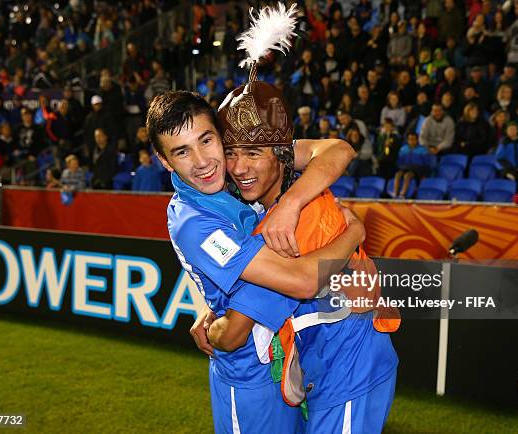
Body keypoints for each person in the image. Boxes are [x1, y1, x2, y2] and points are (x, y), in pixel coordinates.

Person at [147, 88, 362, 433]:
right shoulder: (195, 223)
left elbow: (338, 149)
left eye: (206, 140)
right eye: (182, 152)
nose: (202, 162)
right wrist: (354, 234)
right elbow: (300, 282)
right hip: (248, 376)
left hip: (286, 359)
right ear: (164, 160)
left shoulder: (233, 174)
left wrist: (290, 204)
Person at [394, 132, 430, 198]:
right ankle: (395, 194)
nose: (412, 141)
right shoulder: (403, 149)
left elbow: (426, 164)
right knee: (398, 174)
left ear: (417, 140)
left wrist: (424, 174)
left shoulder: (423, 150)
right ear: (407, 140)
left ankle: (402, 194)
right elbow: (399, 162)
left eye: (414, 140)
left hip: (417, 170)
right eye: (410, 139)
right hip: (405, 167)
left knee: (407, 176)